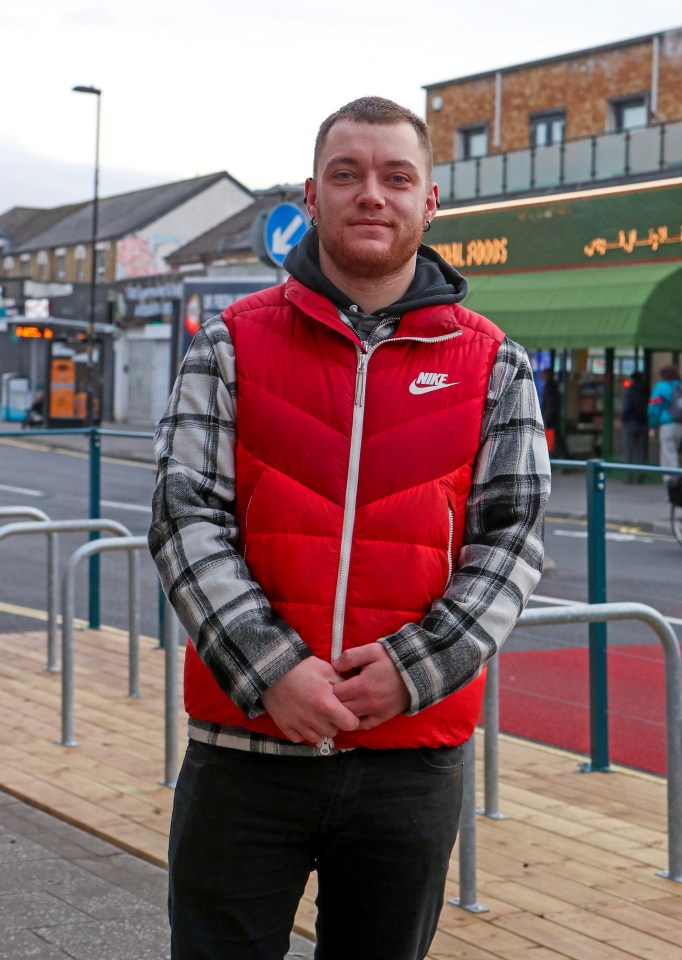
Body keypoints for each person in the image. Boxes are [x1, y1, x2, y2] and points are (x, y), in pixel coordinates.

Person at [149, 96, 550, 960]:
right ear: (312, 195)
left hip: (408, 757)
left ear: (430, 202)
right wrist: (273, 669)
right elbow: (186, 518)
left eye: (396, 176)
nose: (372, 194)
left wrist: (418, 668)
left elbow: (512, 537)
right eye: (348, 174)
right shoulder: (229, 344)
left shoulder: (494, 362)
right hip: (245, 746)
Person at [648, 363, 682, 480]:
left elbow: (654, 408)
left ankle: (674, 485)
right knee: (673, 454)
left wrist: (652, 426)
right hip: (679, 424)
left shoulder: (661, 387)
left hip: (667, 424)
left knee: (668, 456)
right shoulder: (679, 386)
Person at [621, 371, 649, 483]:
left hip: (631, 423)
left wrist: (624, 419)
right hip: (643, 423)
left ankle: (629, 476)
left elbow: (627, 407)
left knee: (629, 450)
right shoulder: (646, 391)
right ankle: (640, 476)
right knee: (641, 450)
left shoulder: (630, 391)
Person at [539, 367, 568, 459]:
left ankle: (564, 458)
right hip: (552, 417)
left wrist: (546, 419)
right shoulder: (552, 385)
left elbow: (550, 404)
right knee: (557, 439)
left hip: (551, 419)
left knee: (556, 440)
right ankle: (563, 457)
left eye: (543, 374)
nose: (541, 376)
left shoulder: (550, 387)